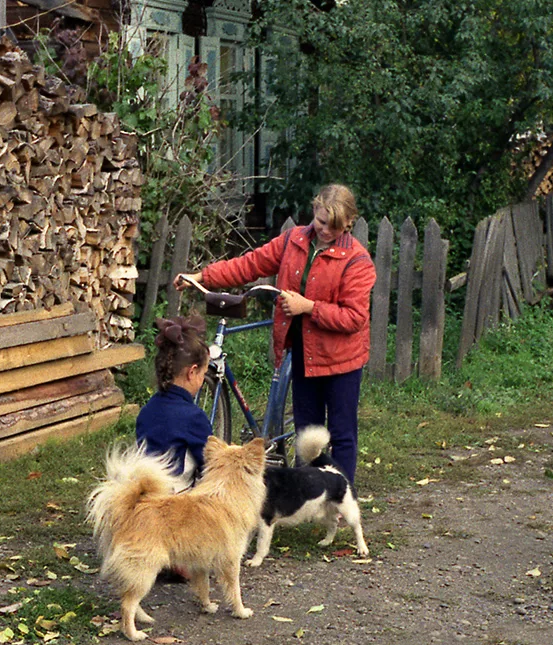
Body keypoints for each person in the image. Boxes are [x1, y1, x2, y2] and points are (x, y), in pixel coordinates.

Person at [174, 184, 376, 485]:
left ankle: (340, 504)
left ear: (348, 223)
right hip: (303, 351)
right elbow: (250, 264)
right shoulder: (292, 241)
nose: (324, 230)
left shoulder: (357, 261)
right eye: (321, 222)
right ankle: (309, 496)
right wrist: (202, 277)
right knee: (308, 432)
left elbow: (354, 317)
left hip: (341, 360)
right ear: (314, 210)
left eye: (333, 226)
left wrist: (307, 307)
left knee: (341, 433)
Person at [135, 314, 212, 488]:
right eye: (203, 374)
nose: (202, 380)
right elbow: (210, 466)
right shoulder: (194, 418)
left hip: (144, 493)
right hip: (175, 501)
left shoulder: (147, 410)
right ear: (192, 372)